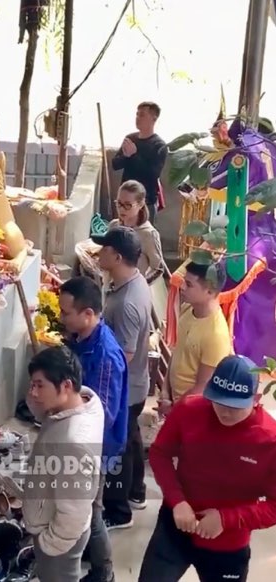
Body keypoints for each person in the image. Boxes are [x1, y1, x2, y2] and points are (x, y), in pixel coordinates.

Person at [139, 355, 276, 582]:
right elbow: (160, 453)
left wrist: (226, 519)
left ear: (256, 399)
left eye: (235, 406)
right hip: (175, 526)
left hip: (228, 544)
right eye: (218, 401)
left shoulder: (269, 440)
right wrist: (177, 501)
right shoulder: (189, 410)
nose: (225, 412)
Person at [58, 276, 128, 582]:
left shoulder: (106, 355)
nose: (61, 318)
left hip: (96, 448)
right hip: (79, 439)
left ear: (88, 314)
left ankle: (104, 571)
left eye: (65, 313)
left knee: (90, 510)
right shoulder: (82, 339)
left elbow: (103, 413)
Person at [23, 346, 105, 582]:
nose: (33, 392)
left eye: (40, 385)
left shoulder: (73, 442)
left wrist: (50, 543)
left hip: (60, 541)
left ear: (67, 386)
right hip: (57, 524)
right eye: (32, 384)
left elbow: (74, 509)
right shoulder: (84, 401)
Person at [93, 226, 153, 529]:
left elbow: (124, 356)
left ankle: (118, 512)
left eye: (103, 249)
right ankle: (136, 492)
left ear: (116, 257)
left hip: (125, 387)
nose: (99, 253)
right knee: (130, 440)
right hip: (136, 384)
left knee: (117, 447)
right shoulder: (132, 284)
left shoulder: (128, 301)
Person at [162, 262, 232, 414]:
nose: (182, 287)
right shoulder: (187, 309)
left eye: (189, 284)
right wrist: (165, 391)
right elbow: (176, 352)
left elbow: (202, 387)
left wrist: (174, 408)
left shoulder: (216, 334)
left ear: (209, 291)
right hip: (174, 404)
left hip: (193, 411)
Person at [111, 102, 168, 220]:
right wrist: (126, 157)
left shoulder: (159, 145)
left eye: (142, 115)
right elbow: (115, 164)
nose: (137, 118)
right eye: (137, 114)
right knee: (123, 234)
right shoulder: (130, 138)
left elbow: (153, 174)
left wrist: (134, 155)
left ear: (154, 118)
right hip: (125, 200)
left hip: (145, 201)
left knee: (143, 235)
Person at [109, 180, 165, 283]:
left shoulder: (148, 234)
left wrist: (140, 285)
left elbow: (158, 269)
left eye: (128, 205)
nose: (122, 209)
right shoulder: (113, 226)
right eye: (119, 204)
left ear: (140, 204)